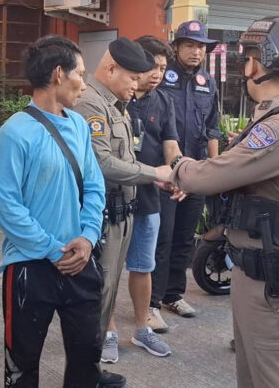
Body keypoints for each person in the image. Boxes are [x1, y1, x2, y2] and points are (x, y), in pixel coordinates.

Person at [170, 16, 279, 387]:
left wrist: (177, 166)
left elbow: (210, 176)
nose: (246, 68)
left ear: (257, 65)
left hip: (276, 283)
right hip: (263, 274)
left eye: (248, 59)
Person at [0, 35, 124, 387]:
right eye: (80, 73)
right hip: (29, 267)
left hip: (81, 260)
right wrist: (53, 249)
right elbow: (6, 205)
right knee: (21, 367)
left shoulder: (78, 125)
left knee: (86, 359)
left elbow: (94, 186)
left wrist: (88, 237)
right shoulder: (14, 133)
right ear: (59, 74)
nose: (84, 83)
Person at [72, 37, 176, 369]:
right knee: (100, 286)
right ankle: (96, 349)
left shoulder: (116, 104)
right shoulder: (91, 104)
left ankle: (116, 342)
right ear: (111, 69)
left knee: (118, 278)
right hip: (103, 214)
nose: (136, 85)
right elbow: (103, 163)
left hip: (124, 209)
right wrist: (154, 172)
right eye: (132, 77)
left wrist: (156, 177)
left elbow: (125, 156)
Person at [100, 36, 180, 363]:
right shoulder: (117, 97)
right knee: (108, 270)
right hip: (113, 199)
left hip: (148, 197)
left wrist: (178, 171)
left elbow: (171, 145)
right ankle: (107, 331)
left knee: (143, 265)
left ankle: (142, 327)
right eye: (152, 67)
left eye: (162, 68)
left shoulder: (164, 102)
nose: (157, 74)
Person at [150, 20, 222, 328]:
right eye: (190, 45)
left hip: (197, 172)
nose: (196, 51)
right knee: (162, 239)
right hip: (165, 174)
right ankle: (151, 302)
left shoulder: (208, 82)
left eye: (201, 47)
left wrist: (216, 170)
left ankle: (173, 294)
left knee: (183, 238)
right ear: (177, 47)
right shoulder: (161, 77)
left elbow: (213, 129)